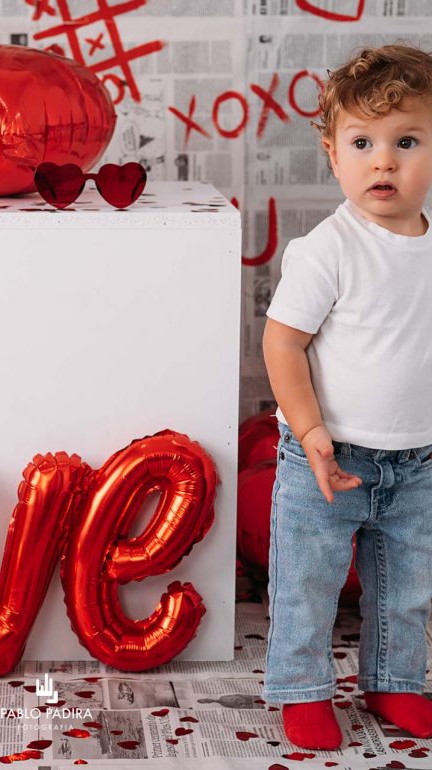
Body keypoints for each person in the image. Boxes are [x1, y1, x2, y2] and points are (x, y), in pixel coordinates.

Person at [262, 43, 432, 751]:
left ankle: (394, 679)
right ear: (334, 156)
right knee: (307, 582)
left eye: (407, 141)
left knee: (407, 583)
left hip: (416, 458)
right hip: (325, 454)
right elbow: (283, 344)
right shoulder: (327, 249)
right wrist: (309, 431)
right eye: (362, 143)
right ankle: (301, 689)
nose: (383, 161)